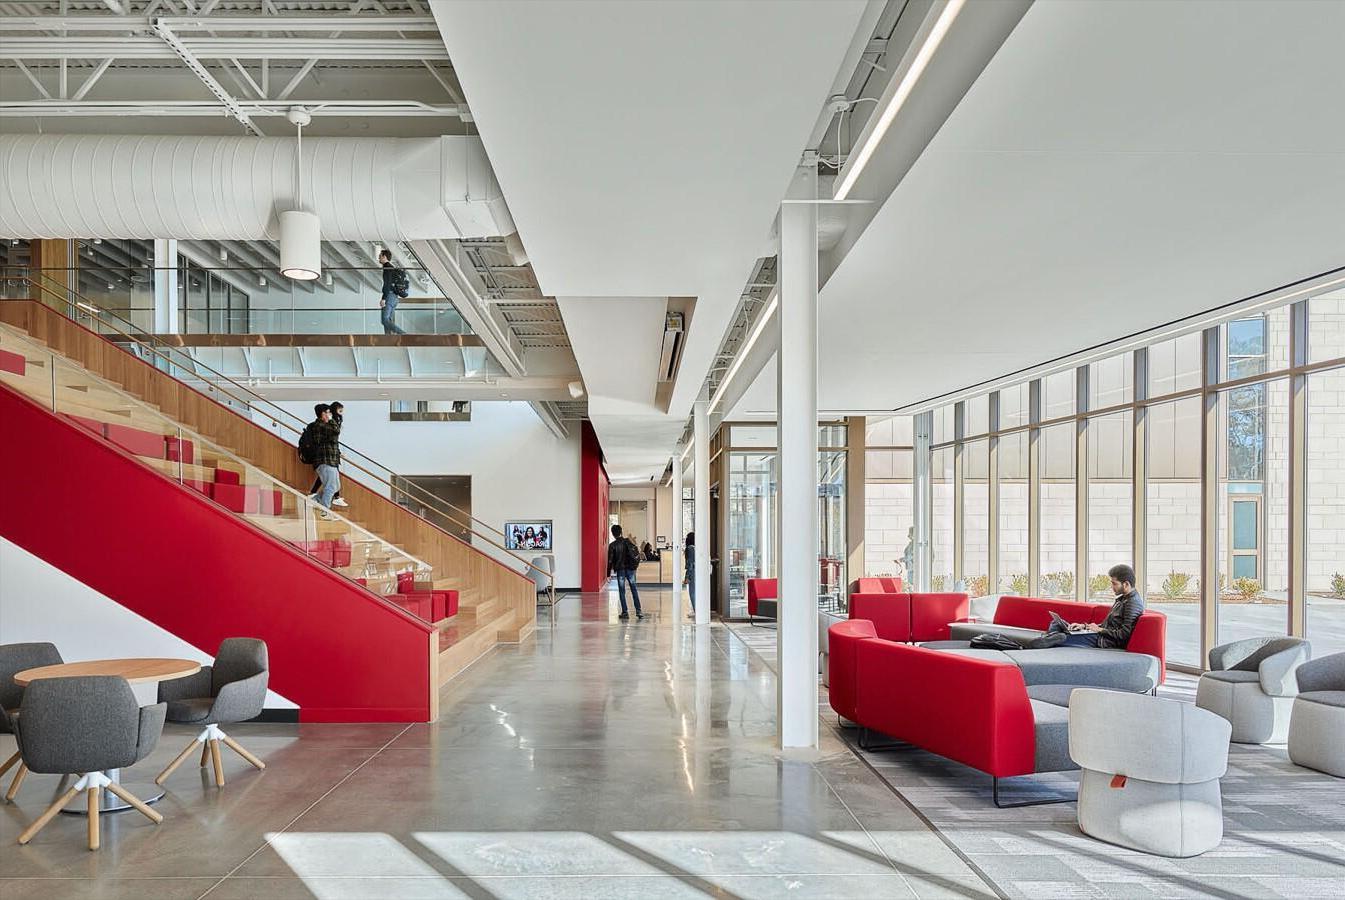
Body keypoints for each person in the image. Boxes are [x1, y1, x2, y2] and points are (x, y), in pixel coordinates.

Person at [1034, 564, 1145, 649]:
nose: (1112, 587)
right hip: (1099, 634)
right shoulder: (1122, 599)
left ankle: (1049, 639)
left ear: (1126, 584)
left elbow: (1124, 634)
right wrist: (1085, 627)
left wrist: (1099, 630)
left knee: (1062, 637)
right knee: (1056, 623)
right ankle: (1051, 638)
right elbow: (1109, 625)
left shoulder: (1133, 603)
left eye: (1114, 583)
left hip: (1102, 641)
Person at [307, 401, 348, 507]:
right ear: (323, 414)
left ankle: (315, 499)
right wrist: (331, 420)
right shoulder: (319, 425)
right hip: (325, 461)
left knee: (335, 486)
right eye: (328, 412)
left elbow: (332, 440)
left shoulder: (325, 426)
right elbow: (336, 430)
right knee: (331, 487)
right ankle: (325, 512)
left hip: (331, 460)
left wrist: (338, 454)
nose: (330, 414)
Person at [606, 524, 644, 620]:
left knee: (622, 591)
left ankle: (625, 612)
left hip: (620, 570)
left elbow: (610, 560)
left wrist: (608, 574)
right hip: (631, 569)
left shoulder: (612, 545)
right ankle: (639, 610)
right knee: (633, 589)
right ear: (621, 532)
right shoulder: (628, 541)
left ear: (613, 534)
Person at [378, 248, 408, 335]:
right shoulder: (392, 268)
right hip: (395, 298)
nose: (379, 258)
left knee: (385, 320)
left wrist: (384, 298)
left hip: (389, 296)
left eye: (380, 256)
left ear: (384, 256)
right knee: (389, 320)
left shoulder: (387, 268)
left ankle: (403, 334)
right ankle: (389, 340)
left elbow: (387, 284)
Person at [683, 532, 695, 616]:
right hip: (697, 571)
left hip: (693, 571)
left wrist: (687, 576)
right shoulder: (696, 547)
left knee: (692, 592)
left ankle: (696, 610)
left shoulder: (690, 548)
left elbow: (690, 563)